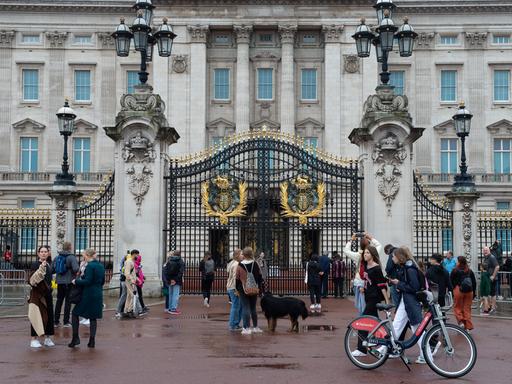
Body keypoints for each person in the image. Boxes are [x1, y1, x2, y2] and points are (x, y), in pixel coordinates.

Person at [387, 246, 427, 364]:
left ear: (399, 257)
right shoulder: (407, 267)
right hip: (407, 301)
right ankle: (385, 348)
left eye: (393, 256)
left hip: (410, 301)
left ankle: (427, 354)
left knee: (417, 329)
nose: (392, 258)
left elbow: (413, 287)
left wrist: (399, 284)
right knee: (398, 326)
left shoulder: (409, 269)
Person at [352, 246, 389, 357]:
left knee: (363, 320)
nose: (365, 255)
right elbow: (368, 281)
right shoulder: (366, 266)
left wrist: (386, 301)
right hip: (367, 296)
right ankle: (387, 341)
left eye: (367, 253)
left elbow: (382, 285)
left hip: (374, 298)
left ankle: (361, 349)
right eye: (364, 253)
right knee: (376, 322)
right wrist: (364, 287)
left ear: (372, 254)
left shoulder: (376, 268)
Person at [68, 248, 105, 348]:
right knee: (93, 317)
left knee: (75, 313)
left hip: (88, 294)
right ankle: (92, 341)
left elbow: (88, 281)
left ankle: (75, 338)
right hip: (98, 293)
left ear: (87, 256)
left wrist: (76, 281)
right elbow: (102, 281)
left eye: (84, 255)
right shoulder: (101, 266)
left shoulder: (90, 266)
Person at [344, 233, 383, 315]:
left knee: (362, 306)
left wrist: (351, 240)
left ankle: (364, 321)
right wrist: (371, 237)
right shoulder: (373, 252)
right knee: (370, 306)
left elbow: (346, 251)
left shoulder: (358, 255)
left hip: (360, 282)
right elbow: (379, 245)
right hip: (370, 283)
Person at [28, 245, 55, 348]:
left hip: (47, 294)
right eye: (42, 252)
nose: (44, 253)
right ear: (38, 253)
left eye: (45, 252)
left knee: (49, 316)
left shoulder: (48, 264)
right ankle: (34, 339)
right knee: (37, 316)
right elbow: (33, 280)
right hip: (38, 295)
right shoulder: (35, 264)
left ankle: (47, 338)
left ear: (48, 253)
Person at [236, 246, 263, 335]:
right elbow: (260, 277)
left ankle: (246, 328)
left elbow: (237, 278)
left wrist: (237, 289)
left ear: (244, 254)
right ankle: (255, 327)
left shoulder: (240, 265)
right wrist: (260, 289)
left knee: (245, 308)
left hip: (243, 289)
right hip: (253, 288)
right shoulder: (255, 264)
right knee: (253, 308)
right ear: (251, 254)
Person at [52, 241, 79, 327]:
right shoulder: (71, 257)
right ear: (70, 247)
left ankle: (55, 321)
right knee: (68, 302)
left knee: (59, 301)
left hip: (59, 282)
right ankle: (66, 321)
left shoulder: (57, 257)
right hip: (69, 282)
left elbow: (52, 269)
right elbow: (76, 269)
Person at [450, 256, 476, 332]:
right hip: (469, 291)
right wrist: (474, 293)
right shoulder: (469, 270)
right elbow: (474, 282)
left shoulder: (455, 270)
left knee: (457, 307)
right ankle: (468, 327)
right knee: (467, 309)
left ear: (459, 262)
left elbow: (451, 281)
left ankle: (461, 321)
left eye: (457, 261)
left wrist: (452, 290)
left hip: (459, 290)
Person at [163, 250, 185, 315]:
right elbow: (180, 272)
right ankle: (173, 309)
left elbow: (166, 272)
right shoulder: (181, 262)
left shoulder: (169, 261)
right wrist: (175, 280)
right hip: (177, 281)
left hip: (170, 281)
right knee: (175, 295)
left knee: (170, 294)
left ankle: (169, 308)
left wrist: (170, 280)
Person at [227, 248, 242, 331]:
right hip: (234, 287)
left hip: (231, 287)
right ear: (237, 255)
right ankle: (233, 325)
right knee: (236, 306)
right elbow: (235, 278)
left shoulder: (232, 263)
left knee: (236, 306)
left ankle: (235, 324)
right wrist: (237, 289)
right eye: (241, 254)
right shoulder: (236, 264)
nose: (242, 256)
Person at [483, 246, 499, 314]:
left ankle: (493, 308)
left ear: (489, 250)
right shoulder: (486, 258)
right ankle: (491, 307)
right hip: (487, 279)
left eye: (486, 250)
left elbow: (497, 266)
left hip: (492, 279)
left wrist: (493, 276)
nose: (485, 251)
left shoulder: (492, 257)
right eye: (484, 250)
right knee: (488, 294)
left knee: (492, 294)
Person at [122, 250, 138, 318]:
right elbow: (127, 273)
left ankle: (126, 311)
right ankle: (129, 310)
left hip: (131, 280)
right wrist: (132, 280)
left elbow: (132, 273)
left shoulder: (131, 261)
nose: (138, 256)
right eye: (137, 255)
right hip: (130, 281)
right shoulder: (129, 262)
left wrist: (137, 279)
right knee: (133, 296)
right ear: (134, 254)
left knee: (129, 296)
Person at [115, 252, 129, 319]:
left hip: (123, 281)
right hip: (125, 281)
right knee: (124, 296)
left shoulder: (123, 263)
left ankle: (123, 309)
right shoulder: (126, 264)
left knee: (124, 295)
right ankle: (119, 310)